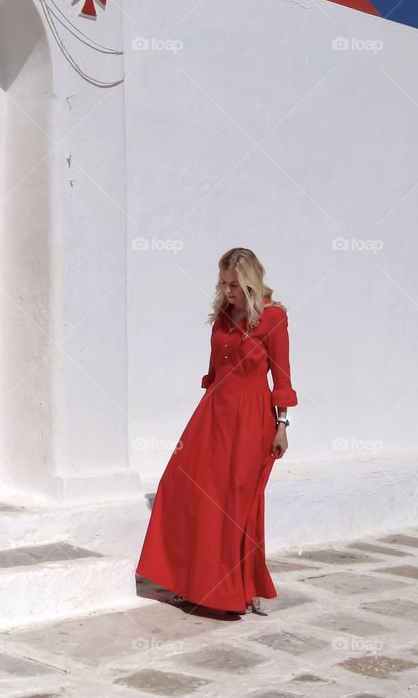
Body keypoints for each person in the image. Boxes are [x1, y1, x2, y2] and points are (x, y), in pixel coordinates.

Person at [135, 247, 297, 616]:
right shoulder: (223, 316)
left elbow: (282, 376)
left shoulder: (273, 319)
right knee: (181, 486)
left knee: (235, 504)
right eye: (223, 283)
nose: (228, 291)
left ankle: (235, 588)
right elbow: (216, 370)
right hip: (212, 413)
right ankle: (188, 579)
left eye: (235, 285)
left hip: (251, 418)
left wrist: (282, 424)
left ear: (251, 281)